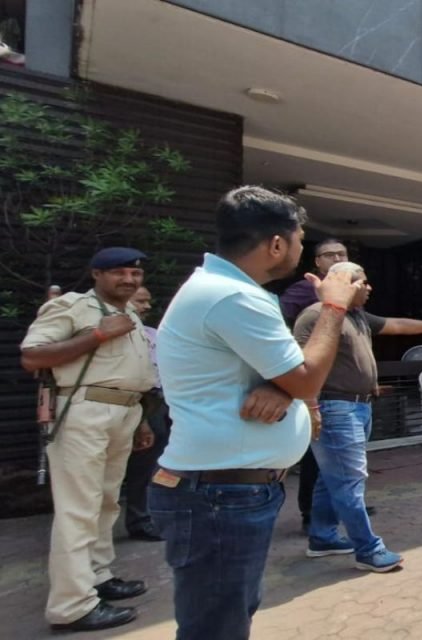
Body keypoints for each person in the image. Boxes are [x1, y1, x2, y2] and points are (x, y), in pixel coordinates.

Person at [152, 186, 363, 639]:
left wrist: (285, 390)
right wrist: (333, 304)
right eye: (301, 240)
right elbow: (305, 376)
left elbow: (286, 374)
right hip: (220, 494)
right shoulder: (233, 297)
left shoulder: (231, 292)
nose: (302, 250)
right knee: (217, 628)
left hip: (229, 490)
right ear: (277, 244)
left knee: (228, 617)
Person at [293, 261, 422, 571]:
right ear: (343, 283)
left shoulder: (357, 316)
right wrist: (310, 405)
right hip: (335, 408)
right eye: (363, 282)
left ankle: (322, 537)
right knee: (349, 481)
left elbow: (396, 325)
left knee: (329, 479)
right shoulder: (315, 316)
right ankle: (368, 549)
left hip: (358, 406)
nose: (369, 287)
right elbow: (300, 365)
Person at [21, 247, 157, 632]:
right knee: (78, 509)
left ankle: (97, 577)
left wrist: (141, 421)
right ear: (97, 274)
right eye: (119, 273)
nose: (129, 280)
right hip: (85, 412)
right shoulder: (72, 307)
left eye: (135, 273)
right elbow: (33, 357)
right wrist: (97, 334)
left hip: (123, 411)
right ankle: (71, 606)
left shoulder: (129, 313)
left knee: (106, 502)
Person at [280, 238, 348, 532]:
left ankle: (341, 505)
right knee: (315, 457)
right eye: (329, 255)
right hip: (315, 386)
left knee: (341, 457)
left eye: (342, 254)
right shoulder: (305, 290)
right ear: (317, 262)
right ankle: (310, 514)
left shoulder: (351, 293)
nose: (337, 259)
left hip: (343, 386)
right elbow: (278, 322)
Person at [121, 286, 169, 542]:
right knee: (142, 464)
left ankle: (149, 516)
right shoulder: (119, 336)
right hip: (136, 402)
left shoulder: (152, 333)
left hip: (160, 401)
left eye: (148, 301)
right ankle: (140, 519)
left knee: (155, 464)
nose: (147, 306)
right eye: (140, 301)